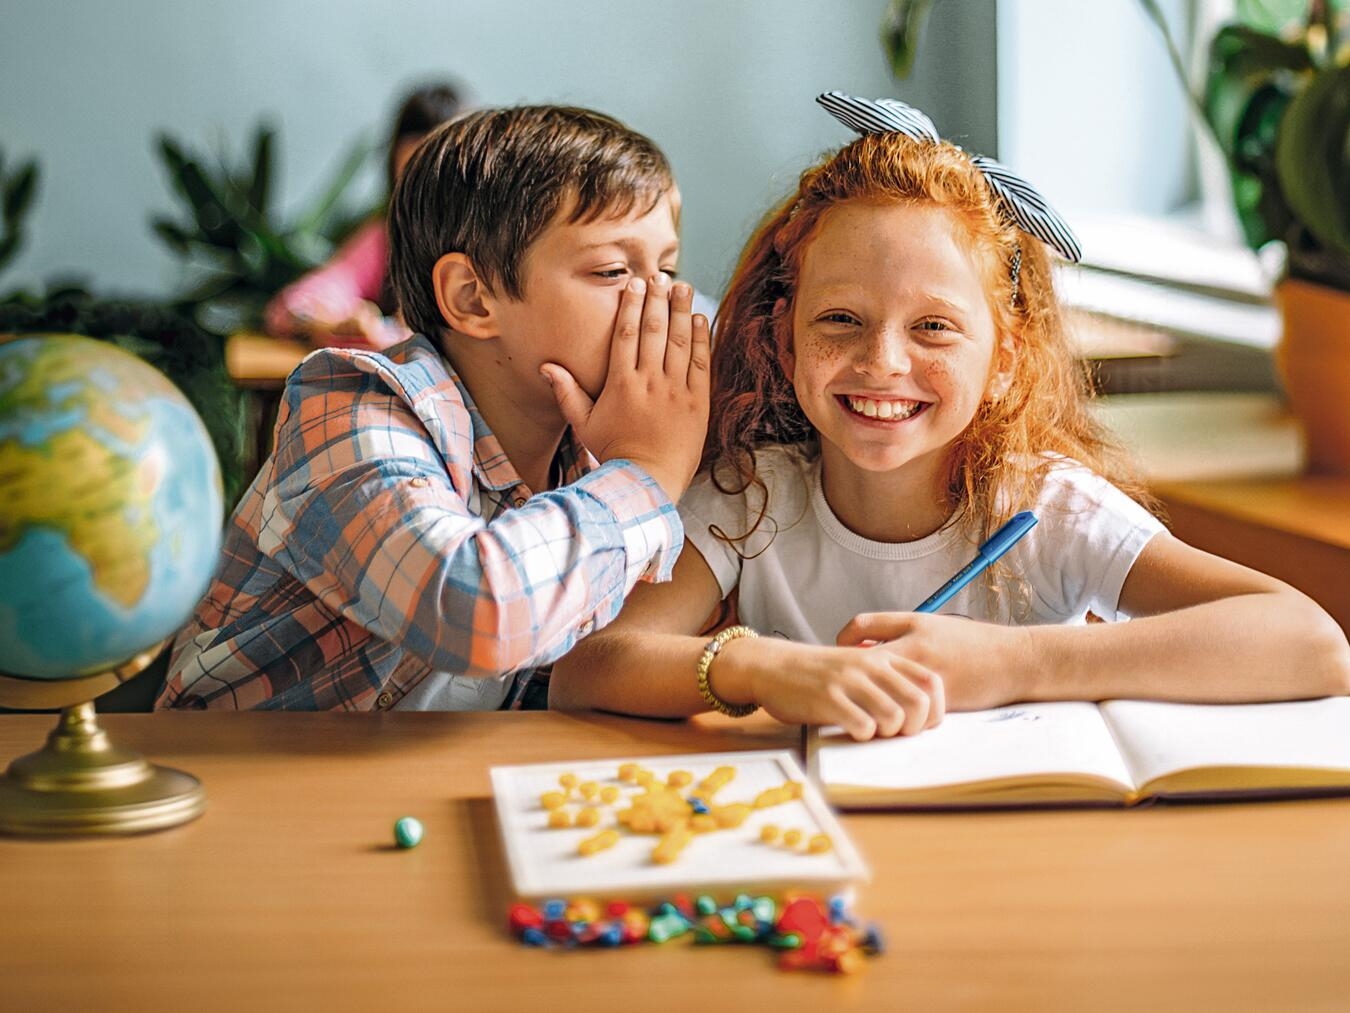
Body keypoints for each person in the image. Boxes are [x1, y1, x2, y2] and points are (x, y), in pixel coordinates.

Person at [549, 93, 1350, 740]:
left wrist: (1014, 663)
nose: (883, 363)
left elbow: (1310, 642)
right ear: (784, 344)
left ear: (1003, 361)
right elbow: (588, 668)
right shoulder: (752, 496)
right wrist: (757, 668)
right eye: (839, 321)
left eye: (932, 327)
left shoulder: (1045, 508)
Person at [158, 104, 709, 711]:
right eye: (612, 270)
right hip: (241, 784)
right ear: (473, 298)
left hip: (427, 783)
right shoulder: (353, 409)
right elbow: (476, 611)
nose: (662, 301)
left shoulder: (585, 446)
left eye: (667, 268)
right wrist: (644, 473)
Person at [262, 82, 466, 350]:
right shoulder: (385, 240)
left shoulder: (486, 244)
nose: (421, 198)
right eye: (409, 179)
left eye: (434, 179)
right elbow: (295, 305)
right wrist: (329, 323)